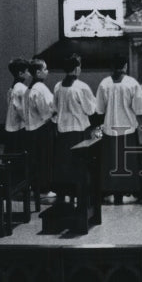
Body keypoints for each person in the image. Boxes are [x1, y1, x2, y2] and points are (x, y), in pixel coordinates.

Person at [95, 53, 142, 205]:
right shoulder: (131, 83)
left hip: (110, 128)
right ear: (126, 66)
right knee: (127, 161)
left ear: (112, 67)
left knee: (111, 161)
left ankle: (110, 191)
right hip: (127, 128)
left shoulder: (104, 83)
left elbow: (99, 108)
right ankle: (128, 192)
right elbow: (139, 107)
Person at [52, 53, 100, 198]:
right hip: (78, 131)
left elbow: (54, 107)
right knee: (78, 165)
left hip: (62, 131)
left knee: (64, 164)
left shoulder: (58, 86)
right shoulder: (81, 87)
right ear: (76, 69)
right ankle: (80, 193)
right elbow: (91, 109)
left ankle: (65, 193)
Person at [24, 58, 57, 202]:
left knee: (35, 160)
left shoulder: (29, 88)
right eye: (45, 69)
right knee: (44, 159)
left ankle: (35, 187)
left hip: (31, 129)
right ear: (38, 72)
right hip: (42, 128)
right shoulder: (40, 89)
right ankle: (44, 188)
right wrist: (55, 111)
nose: (47, 71)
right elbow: (46, 112)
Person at [4, 57, 31, 154]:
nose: (29, 73)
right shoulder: (21, 89)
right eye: (27, 71)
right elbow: (23, 112)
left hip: (11, 128)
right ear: (20, 73)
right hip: (18, 130)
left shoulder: (12, 88)